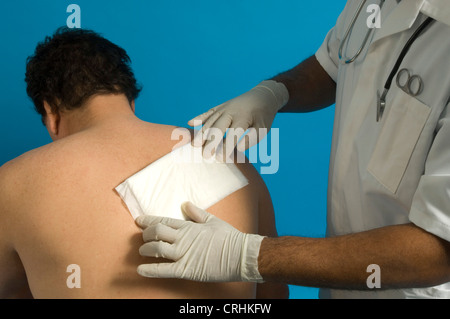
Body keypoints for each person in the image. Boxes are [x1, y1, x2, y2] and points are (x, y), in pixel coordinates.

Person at [136, 0, 450, 298]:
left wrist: (247, 256)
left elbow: (438, 251)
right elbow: (335, 64)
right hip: (340, 285)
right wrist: (274, 92)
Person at [0, 27, 288, 299]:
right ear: (129, 99)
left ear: (51, 115)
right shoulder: (228, 157)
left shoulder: (14, 183)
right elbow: (273, 292)